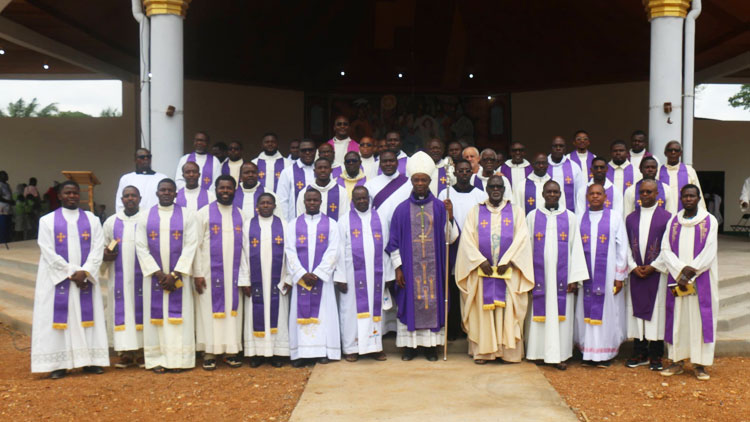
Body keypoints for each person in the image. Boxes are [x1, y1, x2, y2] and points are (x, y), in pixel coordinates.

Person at [386, 151, 459, 361]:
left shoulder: (440, 207)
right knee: (409, 303)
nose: (419, 183)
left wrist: (450, 216)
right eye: (416, 180)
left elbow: (451, 238)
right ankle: (410, 348)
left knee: (433, 303)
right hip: (410, 269)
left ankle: (430, 348)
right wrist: (398, 268)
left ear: (429, 181)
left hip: (434, 270)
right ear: (411, 181)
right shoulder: (401, 210)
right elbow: (394, 242)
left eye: (423, 180)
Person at [31, 180, 108, 378]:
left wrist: (86, 271)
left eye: (75, 192)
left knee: (86, 318)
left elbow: (98, 248)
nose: (72, 196)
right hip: (58, 280)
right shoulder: (47, 221)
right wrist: (72, 272)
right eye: (67, 193)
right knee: (59, 320)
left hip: (85, 280)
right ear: (59, 196)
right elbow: (47, 250)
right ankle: (59, 363)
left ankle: (90, 361)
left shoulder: (92, 220)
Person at [454, 175, 533, 363]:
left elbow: (522, 239)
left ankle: (508, 353)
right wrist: (480, 261)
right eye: (492, 187)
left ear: (504, 189)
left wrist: (508, 260)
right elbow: (467, 240)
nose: (496, 190)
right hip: (483, 273)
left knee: (508, 311)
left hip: (508, 273)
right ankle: (484, 352)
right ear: (487, 189)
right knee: (484, 312)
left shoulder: (516, 212)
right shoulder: (475, 212)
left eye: (499, 187)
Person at [135, 178, 200, 373]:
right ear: (157, 193)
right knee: (156, 320)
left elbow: (191, 245)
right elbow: (141, 247)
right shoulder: (145, 216)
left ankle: (180, 360)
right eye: (162, 190)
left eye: (169, 190)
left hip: (179, 277)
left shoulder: (187, 215)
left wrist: (175, 274)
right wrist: (159, 274)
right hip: (154, 279)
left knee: (180, 320)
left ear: (175, 194)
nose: (166, 193)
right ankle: (156, 359)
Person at [653, 185, 718, 381]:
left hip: (701, 279)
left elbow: (709, 251)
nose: (688, 199)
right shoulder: (674, 221)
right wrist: (680, 270)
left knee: (699, 319)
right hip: (678, 279)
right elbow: (665, 249)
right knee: (678, 319)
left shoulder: (709, 220)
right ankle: (677, 360)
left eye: (692, 196)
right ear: (681, 199)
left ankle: (700, 364)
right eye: (685, 196)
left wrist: (690, 274)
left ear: (699, 198)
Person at [525, 181, 588, 370]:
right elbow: (526, 247)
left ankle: (559, 355)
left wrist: (574, 278)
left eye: (555, 192)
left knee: (561, 318)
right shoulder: (532, 216)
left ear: (560, 194)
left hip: (563, 278)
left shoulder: (570, 217)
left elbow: (576, 247)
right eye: (548, 192)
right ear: (543, 194)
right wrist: (528, 276)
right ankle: (537, 353)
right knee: (539, 315)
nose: (552, 195)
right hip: (540, 277)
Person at [335, 186, 394, 362]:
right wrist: (340, 277)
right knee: (350, 311)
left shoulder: (380, 218)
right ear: (352, 201)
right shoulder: (344, 221)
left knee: (375, 310)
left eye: (364, 198)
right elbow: (338, 251)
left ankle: (375, 347)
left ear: (369, 199)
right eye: (358, 199)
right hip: (351, 275)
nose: (361, 201)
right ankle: (351, 348)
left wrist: (388, 274)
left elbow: (386, 247)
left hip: (376, 275)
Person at [192, 176, 244, 370]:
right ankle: (209, 352)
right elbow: (195, 245)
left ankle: (231, 351)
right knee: (208, 313)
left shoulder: (241, 214)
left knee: (232, 312)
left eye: (229, 188)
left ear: (234, 190)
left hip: (234, 275)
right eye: (222, 188)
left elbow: (245, 248)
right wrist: (197, 273)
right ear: (215, 189)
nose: (225, 191)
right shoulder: (203, 213)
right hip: (208, 273)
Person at [574, 184, 628, 367]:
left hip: (608, 275)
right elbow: (574, 248)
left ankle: (606, 353)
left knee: (607, 312)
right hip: (585, 276)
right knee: (585, 311)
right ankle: (587, 351)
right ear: (586, 197)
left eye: (599, 193)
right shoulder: (579, 218)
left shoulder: (615, 217)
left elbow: (622, 247)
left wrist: (619, 275)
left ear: (605, 197)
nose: (595, 196)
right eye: (592, 193)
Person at [285, 189, 341, 366]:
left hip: (322, 280)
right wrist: (301, 273)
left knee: (324, 314)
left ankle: (323, 351)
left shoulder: (331, 224)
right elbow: (289, 251)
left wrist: (318, 273)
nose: (312, 203)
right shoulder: (293, 225)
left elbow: (334, 251)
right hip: (301, 278)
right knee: (300, 315)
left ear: (320, 202)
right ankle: (301, 353)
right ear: (303, 201)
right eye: (308, 200)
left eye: (315, 200)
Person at [624, 179, 672, 371]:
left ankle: (656, 354)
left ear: (657, 194)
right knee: (637, 314)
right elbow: (626, 246)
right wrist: (632, 266)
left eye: (649, 192)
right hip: (636, 272)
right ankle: (639, 352)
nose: (645, 195)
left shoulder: (667, 218)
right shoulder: (630, 218)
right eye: (642, 192)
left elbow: (668, 246)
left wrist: (654, 266)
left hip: (657, 273)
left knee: (657, 314)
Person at [238, 193, 291, 367]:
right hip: (255, 281)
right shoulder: (248, 225)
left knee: (279, 316)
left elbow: (290, 254)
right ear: (257, 206)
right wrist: (245, 280)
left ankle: (277, 352)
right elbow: (242, 254)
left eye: (269, 203)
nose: (266, 205)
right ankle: (256, 353)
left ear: (275, 206)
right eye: (263, 203)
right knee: (255, 314)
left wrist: (288, 278)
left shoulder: (284, 225)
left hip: (278, 280)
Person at [438, 159, 488, 339]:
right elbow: (439, 218)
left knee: (470, 289)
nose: (464, 174)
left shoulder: (480, 195)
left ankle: (470, 329)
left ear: (472, 173)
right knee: (452, 287)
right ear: (455, 173)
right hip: (452, 245)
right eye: (461, 171)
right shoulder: (445, 193)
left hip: (473, 247)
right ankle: (452, 328)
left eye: (467, 171)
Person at [101, 186, 145, 369]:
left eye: (133, 195)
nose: (130, 198)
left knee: (142, 311)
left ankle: (142, 351)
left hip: (143, 278)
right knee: (122, 311)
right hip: (118, 277)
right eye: (126, 196)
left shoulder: (147, 218)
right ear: (122, 200)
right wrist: (105, 256)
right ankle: (124, 352)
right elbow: (103, 247)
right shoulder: (111, 222)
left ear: (140, 198)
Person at [364, 150, 412, 233]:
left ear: (397, 162)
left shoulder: (409, 183)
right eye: (384, 161)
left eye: (391, 161)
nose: (388, 164)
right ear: (379, 164)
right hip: (378, 230)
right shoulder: (370, 185)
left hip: (403, 228)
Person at [657, 141, 705, 213]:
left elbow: (697, 192)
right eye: (670, 150)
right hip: (663, 213)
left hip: (684, 214)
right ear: (665, 153)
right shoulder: (658, 171)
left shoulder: (689, 171)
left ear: (680, 153)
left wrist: (701, 213)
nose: (673, 152)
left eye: (676, 150)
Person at [115, 148, 168, 214]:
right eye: (142, 157)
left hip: (156, 216)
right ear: (135, 160)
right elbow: (120, 203)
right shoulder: (126, 178)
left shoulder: (162, 178)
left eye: (148, 157)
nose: (146, 159)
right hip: (134, 217)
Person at [277, 139, 316, 223]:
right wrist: (285, 223)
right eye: (304, 150)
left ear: (315, 151)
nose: (307, 153)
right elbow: (282, 201)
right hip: (295, 222)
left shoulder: (321, 171)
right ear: (299, 152)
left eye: (310, 150)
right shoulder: (288, 172)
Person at [548, 136, 585, 213]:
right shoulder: (543, 166)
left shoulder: (574, 167)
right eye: (555, 146)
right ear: (551, 148)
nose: (558, 148)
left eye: (561, 146)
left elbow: (580, 193)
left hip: (569, 213)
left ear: (565, 149)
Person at [0, 171, 12, 245]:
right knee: (3, 226)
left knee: (8, 226)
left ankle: (7, 241)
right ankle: (2, 242)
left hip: (8, 208)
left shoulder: (7, 185)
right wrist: (8, 201)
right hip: (2, 209)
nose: (7, 176)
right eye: (4, 175)